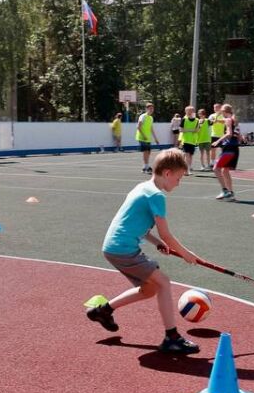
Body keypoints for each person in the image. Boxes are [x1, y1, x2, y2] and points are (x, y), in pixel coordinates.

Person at [86, 148, 202, 355]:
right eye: (179, 177)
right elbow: (167, 235)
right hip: (123, 249)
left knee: (150, 289)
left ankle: (103, 311)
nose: (179, 183)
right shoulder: (157, 196)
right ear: (167, 173)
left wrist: (156, 242)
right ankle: (171, 338)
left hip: (114, 247)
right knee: (164, 283)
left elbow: (137, 225)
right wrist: (186, 254)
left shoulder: (143, 187)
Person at [213, 104, 240, 200]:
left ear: (224, 112)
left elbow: (229, 133)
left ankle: (225, 191)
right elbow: (225, 122)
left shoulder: (228, 120)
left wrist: (218, 141)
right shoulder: (233, 120)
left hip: (228, 148)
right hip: (234, 148)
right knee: (225, 170)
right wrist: (217, 120)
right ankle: (231, 193)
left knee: (216, 169)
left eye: (222, 112)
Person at [135, 102, 158, 174]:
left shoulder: (151, 118)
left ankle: (146, 166)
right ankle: (145, 167)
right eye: (150, 108)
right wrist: (144, 135)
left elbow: (151, 128)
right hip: (142, 137)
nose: (151, 110)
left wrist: (155, 138)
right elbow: (138, 127)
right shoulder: (143, 116)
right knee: (146, 152)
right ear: (146, 109)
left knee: (148, 152)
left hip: (148, 138)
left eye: (152, 108)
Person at [179, 105, 200, 175]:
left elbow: (197, 130)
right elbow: (181, 129)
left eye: (192, 110)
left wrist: (191, 130)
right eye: (189, 110)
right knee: (187, 155)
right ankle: (187, 170)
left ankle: (187, 169)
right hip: (186, 140)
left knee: (190, 156)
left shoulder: (197, 120)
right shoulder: (184, 119)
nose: (191, 112)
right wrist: (191, 130)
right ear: (186, 111)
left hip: (193, 141)